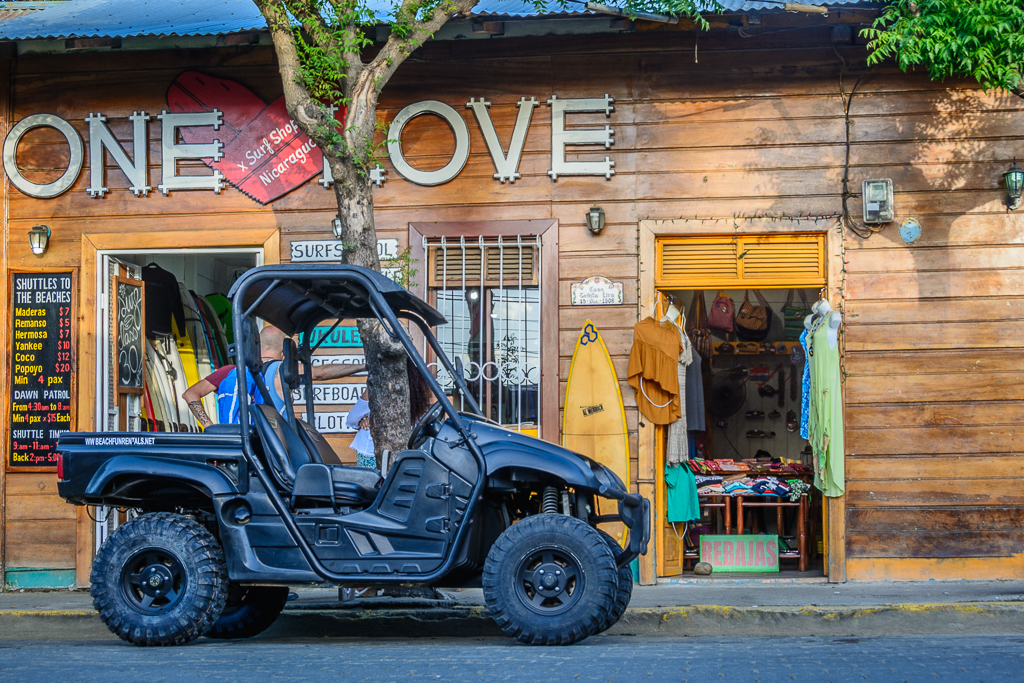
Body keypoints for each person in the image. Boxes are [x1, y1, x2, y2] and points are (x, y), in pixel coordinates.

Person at [182, 325, 365, 427]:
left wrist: (210, 427)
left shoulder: (230, 371)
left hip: (234, 449)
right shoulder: (281, 370)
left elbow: (189, 394)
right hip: (269, 454)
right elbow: (321, 373)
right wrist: (365, 365)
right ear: (283, 351)